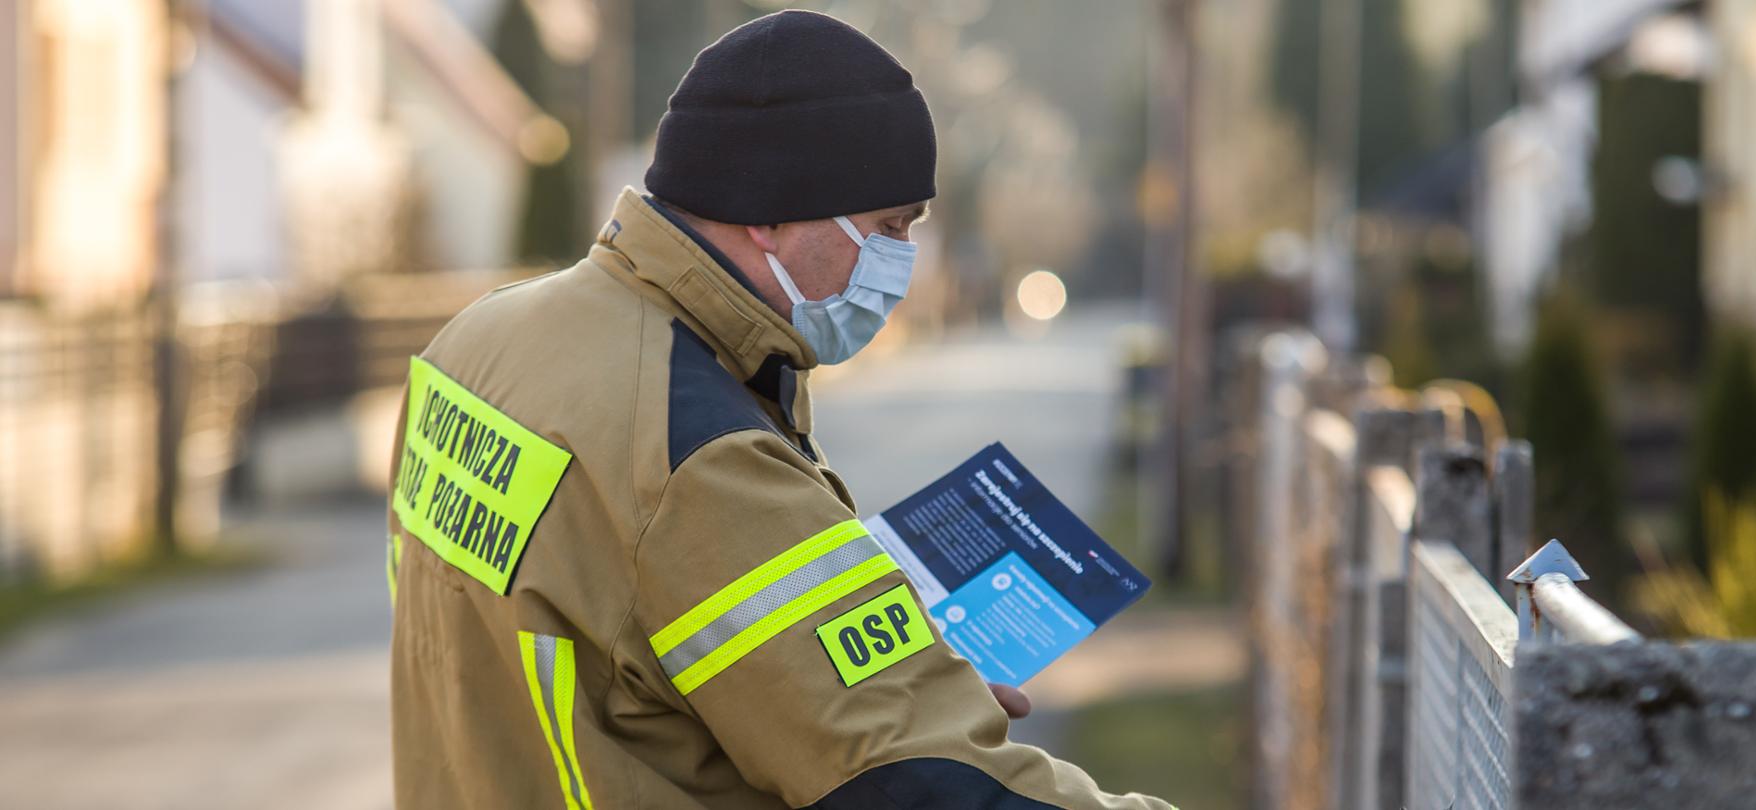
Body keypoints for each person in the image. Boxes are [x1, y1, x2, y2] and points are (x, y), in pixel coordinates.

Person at [385, 9, 1176, 809]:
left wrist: (893, 683)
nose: (900, 264)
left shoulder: (474, 341)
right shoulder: (696, 451)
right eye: (887, 227)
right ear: (767, 214)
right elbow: (919, 784)